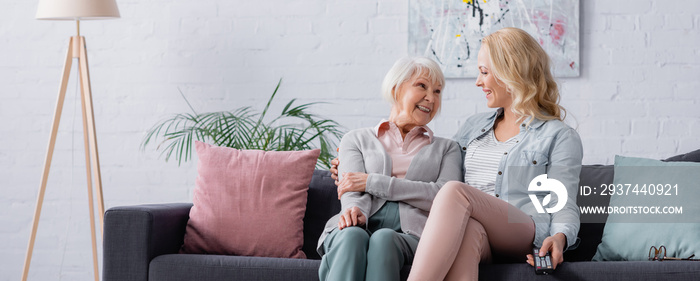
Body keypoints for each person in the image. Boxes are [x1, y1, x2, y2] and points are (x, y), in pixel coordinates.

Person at [330, 27, 583, 280]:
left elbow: (562, 202)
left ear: (511, 72)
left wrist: (560, 237)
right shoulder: (474, 127)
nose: (478, 81)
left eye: (484, 72)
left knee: (452, 190)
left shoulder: (558, 135)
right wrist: (349, 170)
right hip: (474, 225)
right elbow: (433, 165)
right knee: (468, 229)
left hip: (519, 228)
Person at [317, 56, 463, 281]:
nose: (431, 98)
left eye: (437, 91)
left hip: (413, 234)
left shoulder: (447, 148)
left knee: (384, 238)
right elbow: (352, 189)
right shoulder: (356, 139)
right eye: (422, 86)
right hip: (360, 221)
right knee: (351, 236)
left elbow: (444, 197)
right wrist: (355, 211)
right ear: (396, 88)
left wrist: (372, 181)